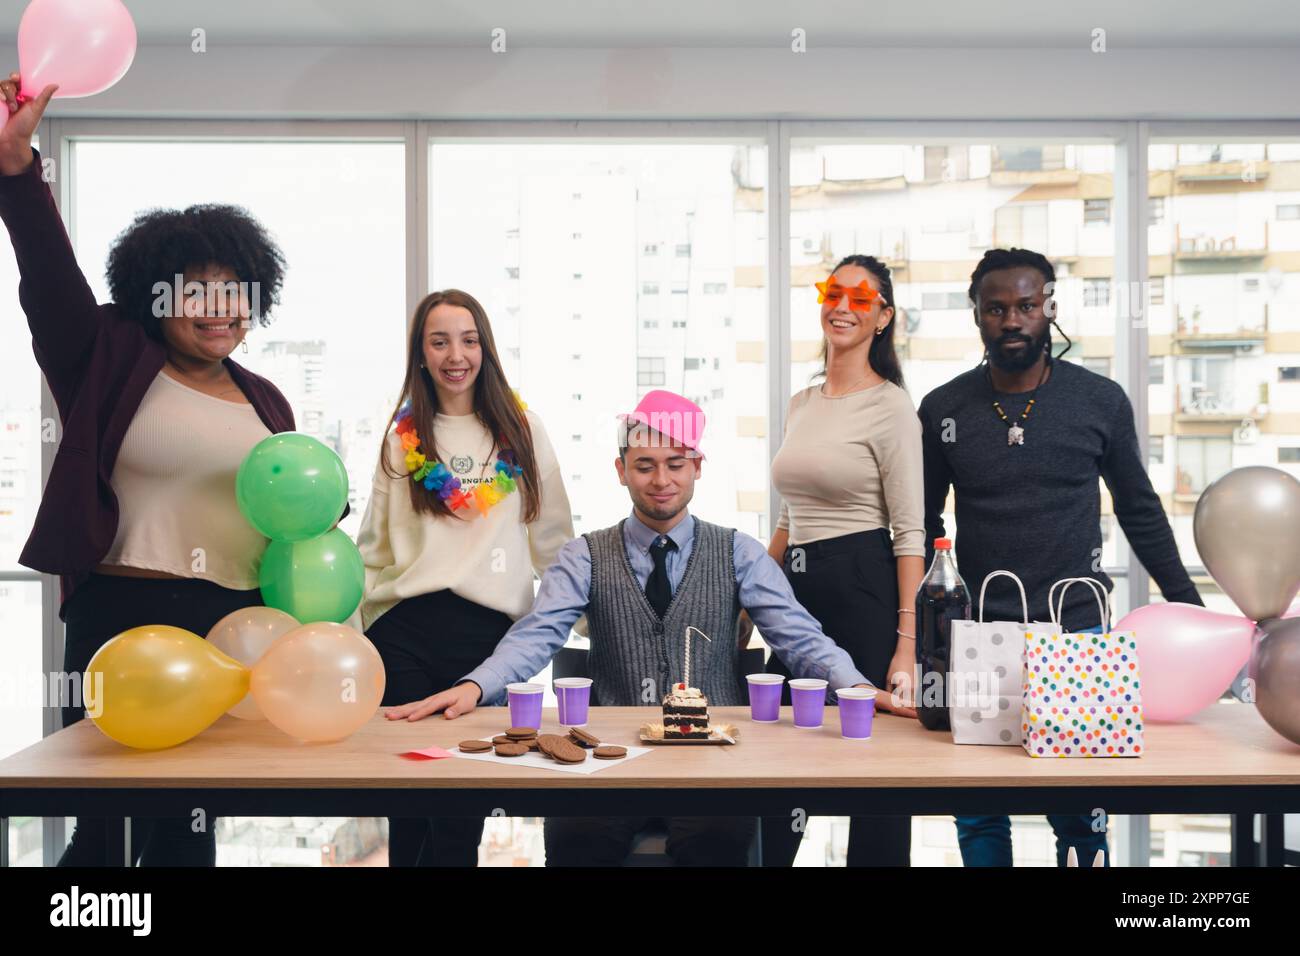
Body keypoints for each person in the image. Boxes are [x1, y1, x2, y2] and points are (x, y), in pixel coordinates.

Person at [0, 74, 320, 865]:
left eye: (236, 292)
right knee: (104, 825)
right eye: (196, 290)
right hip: (122, 615)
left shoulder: (268, 400)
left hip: (234, 623)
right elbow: (47, 274)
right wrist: (16, 168)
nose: (219, 308)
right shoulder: (104, 352)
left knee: (192, 824)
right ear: (155, 294)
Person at [386, 390, 877, 866]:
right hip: (606, 762)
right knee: (575, 839)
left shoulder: (739, 553)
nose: (660, 479)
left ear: (697, 467)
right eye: (644, 465)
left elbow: (798, 635)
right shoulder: (583, 556)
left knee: (719, 841)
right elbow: (536, 636)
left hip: (712, 765)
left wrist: (857, 687)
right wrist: (476, 685)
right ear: (621, 471)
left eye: (675, 463)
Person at [918, 247, 1203, 867]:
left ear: (1049, 308)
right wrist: (925, 624)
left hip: (1077, 631)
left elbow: (1139, 508)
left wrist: (1189, 605)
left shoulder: (1099, 400)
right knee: (979, 809)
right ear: (977, 316)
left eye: (1026, 305)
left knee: (1079, 808)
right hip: (978, 634)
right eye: (996, 308)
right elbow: (922, 521)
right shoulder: (944, 409)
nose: (1012, 320)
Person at [356, 288, 573, 867]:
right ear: (421, 355)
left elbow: (552, 541)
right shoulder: (403, 438)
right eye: (440, 340)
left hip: (488, 642)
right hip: (401, 632)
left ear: (486, 348)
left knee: (461, 810)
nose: (457, 354)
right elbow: (373, 547)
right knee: (408, 807)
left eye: (469, 339)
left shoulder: (523, 430)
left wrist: (562, 631)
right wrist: (354, 633)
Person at [757, 254, 923, 867]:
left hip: (865, 590)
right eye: (834, 293)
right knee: (779, 764)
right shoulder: (801, 403)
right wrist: (756, 596)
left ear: (884, 317)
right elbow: (785, 517)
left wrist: (905, 643)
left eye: (861, 298)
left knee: (872, 779)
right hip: (796, 597)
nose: (843, 307)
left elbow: (909, 531)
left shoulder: (892, 407)